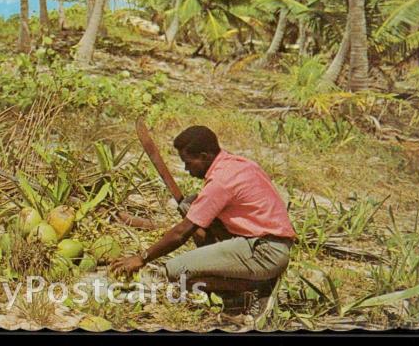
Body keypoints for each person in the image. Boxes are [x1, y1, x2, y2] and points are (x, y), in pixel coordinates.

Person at [110, 125, 296, 314]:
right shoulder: (236, 163)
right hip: (269, 244)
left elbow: (182, 232)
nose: (186, 168)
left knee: (177, 271)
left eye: (188, 162)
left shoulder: (221, 181)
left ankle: (253, 290)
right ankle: (246, 280)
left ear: (205, 156)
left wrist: (142, 258)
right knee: (189, 205)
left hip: (264, 252)